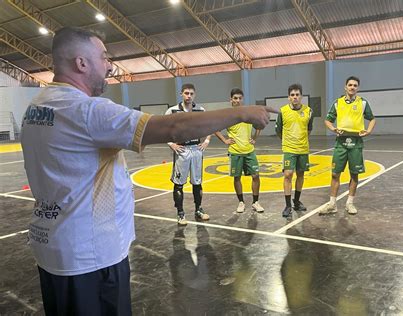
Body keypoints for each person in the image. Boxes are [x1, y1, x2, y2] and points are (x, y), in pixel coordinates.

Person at [20, 27, 274, 315]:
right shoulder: (86, 111)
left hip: (54, 247)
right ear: (81, 63)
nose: (109, 65)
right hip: (90, 257)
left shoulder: (38, 106)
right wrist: (242, 112)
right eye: (103, 57)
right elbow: (173, 127)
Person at [320, 76, 376, 215]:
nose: (352, 87)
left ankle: (349, 203)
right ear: (345, 87)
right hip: (341, 143)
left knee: (354, 175)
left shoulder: (363, 103)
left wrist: (368, 130)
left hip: (356, 143)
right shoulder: (338, 103)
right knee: (335, 174)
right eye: (350, 85)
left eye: (355, 85)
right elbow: (327, 120)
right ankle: (332, 204)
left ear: (358, 88)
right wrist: (333, 129)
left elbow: (372, 118)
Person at [166, 84, 211, 225]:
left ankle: (198, 209)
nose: (189, 96)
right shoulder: (172, 111)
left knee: (197, 182)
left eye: (191, 93)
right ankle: (180, 213)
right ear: (181, 94)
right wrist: (171, 144)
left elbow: (210, 126)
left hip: (196, 150)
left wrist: (207, 140)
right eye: (186, 93)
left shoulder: (201, 110)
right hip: (182, 150)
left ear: (194, 95)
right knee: (179, 184)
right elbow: (162, 129)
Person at [215, 88, 264, 213]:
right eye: (235, 98)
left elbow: (259, 124)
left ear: (242, 99)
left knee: (256, 176)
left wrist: (255, 137)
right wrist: (225, 140)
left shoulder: (248, 113)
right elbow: (215, 128)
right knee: (237, 177)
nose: (237, 100)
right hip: (235, 151)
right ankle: (241, 202)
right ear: (231, 99)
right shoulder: (227, 115)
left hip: (249, 151)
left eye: (239, 98)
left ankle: (255, 202)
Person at [275, 83, 313, 218]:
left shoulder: (308, 111)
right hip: (289, 149)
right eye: (292, 95)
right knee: (288, 175)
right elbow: (278, 131)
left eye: (297, 95)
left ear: (301, 96)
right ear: (288, 97)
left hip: (303, 149)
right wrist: (287, 142)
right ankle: (287, 205)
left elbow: (309, 129)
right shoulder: (283, 111)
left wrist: (301, 140)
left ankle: (296, 201)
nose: (295, 97)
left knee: (301, 175)